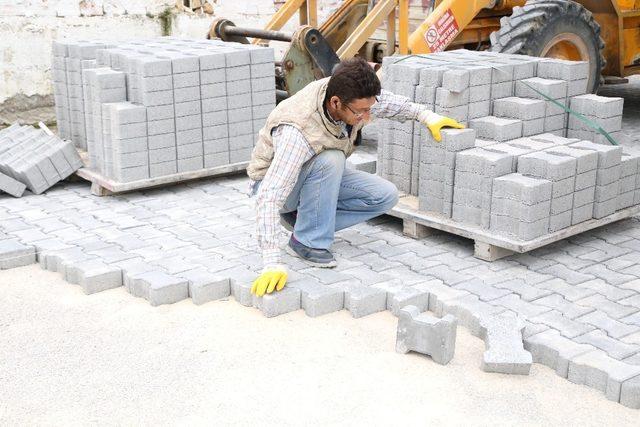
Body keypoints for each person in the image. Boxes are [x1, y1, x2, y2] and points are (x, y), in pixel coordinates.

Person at [247, 57, 464, 297]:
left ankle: (304, 224)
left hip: (310, 175)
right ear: (336, 103)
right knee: (332, 160)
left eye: (369, 109)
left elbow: (389, 104)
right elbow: (269, 195)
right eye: (361, 112)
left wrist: (426, 116)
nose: (367, 116)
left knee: (384, 196)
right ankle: (308, 242)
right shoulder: (297, 130)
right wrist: (271, 262)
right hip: (275, 187)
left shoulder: (347, 95)